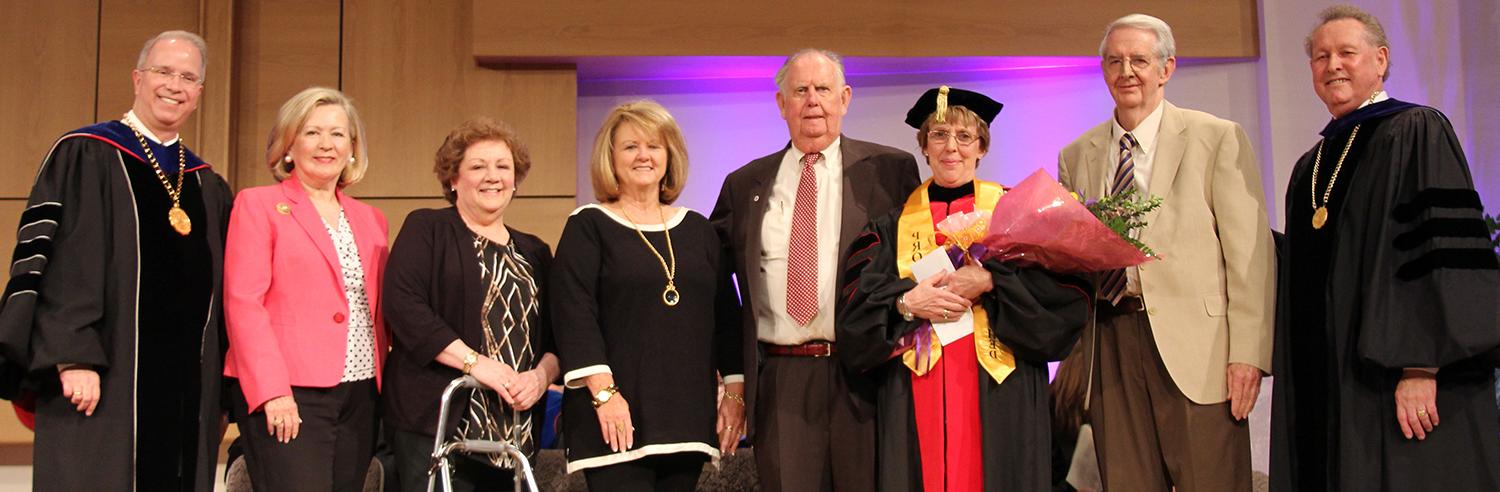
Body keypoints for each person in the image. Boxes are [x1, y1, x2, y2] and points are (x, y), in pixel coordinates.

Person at [1269, 5, 1500, 490]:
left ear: (1380, 59)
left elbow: (1436, 257)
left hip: (1396, 378)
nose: (1332, 64)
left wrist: (1420, 365)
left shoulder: (1415, 129)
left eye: (1347, 52)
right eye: (1321, 56)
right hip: (1331, 383)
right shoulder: (1310, 165)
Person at [0, 30, 231, 491]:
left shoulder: (209, 186)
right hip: (103, 377)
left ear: (199, 94)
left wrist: (220, 390)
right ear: (138, 78)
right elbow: (65, 262)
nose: (174, 85)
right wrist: (72, 355)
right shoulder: (87, 153)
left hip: (185, 390)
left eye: (188, 77)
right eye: (163, 71)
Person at [1056, 14, 1275, 491]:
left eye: (1139, 60)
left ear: (1167, 68)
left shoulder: (1215, 137)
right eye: (1114, 61)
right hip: (1111, 341)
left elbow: (1250, 257)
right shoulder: (1077, 155)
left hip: (1201, 349)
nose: (1126, 71)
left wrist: (1248, 355)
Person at [839, 87, 1090, 491]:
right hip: (916, 391)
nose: (950, 147)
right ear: (923, 147)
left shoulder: (1017, 216)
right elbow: (854, 321)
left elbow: (1064, 302)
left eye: (964, 136)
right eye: (938, 135)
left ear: (982, 148)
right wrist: (906, 302)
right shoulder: (890, 227)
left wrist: (992, 280)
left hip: (998, 392)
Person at [708, 48, 920, 491]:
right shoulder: (744, 183)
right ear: (781, 104)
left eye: (823, 89)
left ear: (844, 98)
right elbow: (709, 282)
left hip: (867, 373)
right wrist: (732, 383)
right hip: (781, 377)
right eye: (799, 91)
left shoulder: (891, 172)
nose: (812, 101)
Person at [552, 100, 744, 491]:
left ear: (669, 155)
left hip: (685, 417)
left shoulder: (699, 231)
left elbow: (727, 318)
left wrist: (736, 397)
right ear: (611, 157)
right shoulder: (588, 225)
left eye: (654, 145)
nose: (644, 155)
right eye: (630, 146)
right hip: (615, 417)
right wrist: (605, 396)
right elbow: (574, 315)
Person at [223, 87, 388, 491]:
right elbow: (244, 304)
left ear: (353, 148)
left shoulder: (372, 219)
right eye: (312, 133)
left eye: (338, 134)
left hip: (360, 393)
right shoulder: (258, 204)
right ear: (289, 145)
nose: (326, 144)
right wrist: (273, 392)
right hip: (289, 392)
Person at [382, 117, 560, 491]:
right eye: (478, 166)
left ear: (515, 179)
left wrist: (540, 378)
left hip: (515, 427)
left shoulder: (536, 252)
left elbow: (561, 335)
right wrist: (478, 365)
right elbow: (404, 306)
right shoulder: (428, 228)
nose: (492, 176)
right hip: (439, 425)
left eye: (503, 167)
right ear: (453, 179)